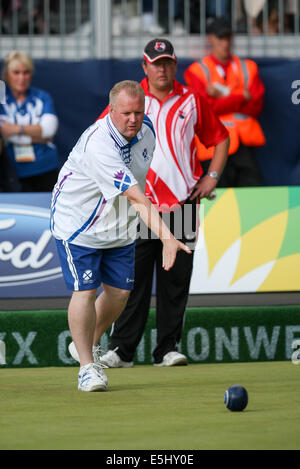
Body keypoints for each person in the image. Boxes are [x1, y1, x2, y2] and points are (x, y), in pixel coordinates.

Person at [87, 39, 229, 369]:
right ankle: (121, 350)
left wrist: (213, 176)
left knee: (175, 281)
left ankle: (167, 348)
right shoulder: (131, 99)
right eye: (156, 63)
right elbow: (98, 136)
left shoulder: (193, 98)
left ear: (176, 65)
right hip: (139, 202)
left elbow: (221, 138)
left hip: (182, 201)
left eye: (167, 62)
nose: (162, 69)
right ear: (144, 66)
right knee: (129, 281)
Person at [50, 80, 192, 392]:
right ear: (111, 111)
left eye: (138, 112)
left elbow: (139, 182)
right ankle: (88, 367)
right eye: (126, 112)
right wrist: (168, 237)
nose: (133, 118)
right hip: (79, 225)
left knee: (119, 294)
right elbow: (137, 197)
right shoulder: (99, 145)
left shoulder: (148, 131)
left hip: (118, 226)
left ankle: (85, 342)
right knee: (85, 291)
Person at [184, 17, 266, 187]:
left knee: (252, 198)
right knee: (217, 202)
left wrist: (220, 96)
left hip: (244, 144)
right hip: (213, 146)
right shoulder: (197, 71)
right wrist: (242, 96)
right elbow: (206, 108)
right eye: (221, 37)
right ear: (210, 38)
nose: (225, 43)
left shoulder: (248, 67)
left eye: (228, 37)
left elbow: (256, 106)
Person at [0, 50, 59, 192]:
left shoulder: (42, 96)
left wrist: (14, 131)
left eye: (26, 72)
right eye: (16, 72)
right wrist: (39, 136)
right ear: (7, 75)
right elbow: (2, 131)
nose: (22, 77)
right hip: (11, 172)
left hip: (45, 167)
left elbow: (49, 129)